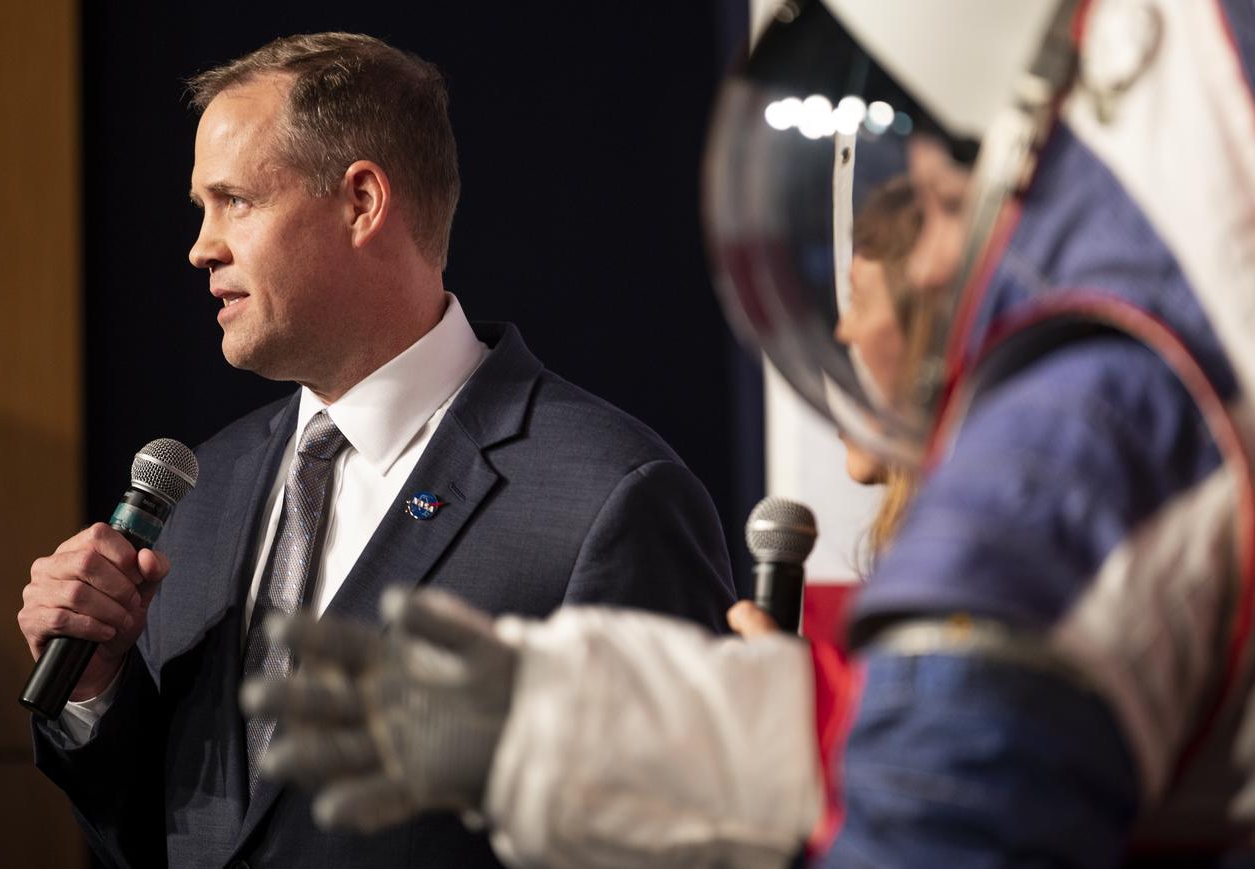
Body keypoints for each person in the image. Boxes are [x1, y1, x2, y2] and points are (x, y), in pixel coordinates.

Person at [243, 0, 1255, 866]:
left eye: (946, 198)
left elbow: (939, 794)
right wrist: (550, 721)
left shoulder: (1084, 422)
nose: (201, 244)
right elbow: (875, 733)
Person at [16, 32, 737, 869]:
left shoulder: (608, 498)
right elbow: (165, 833)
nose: (201, 245)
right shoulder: (203, 491)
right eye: (199, 208)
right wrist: (98, 687)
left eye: (234, 200)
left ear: (362, 202)